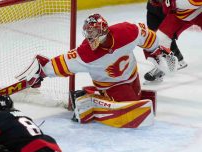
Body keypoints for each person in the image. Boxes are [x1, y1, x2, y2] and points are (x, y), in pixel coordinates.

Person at [16, 14, 175, 128]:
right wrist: (42, 71)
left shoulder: (126, 32)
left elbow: (145, 35)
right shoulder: (86, 53)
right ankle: (90, 99)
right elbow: (63, 63)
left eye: (93, 33)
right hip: (110, 85)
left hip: (132, 76)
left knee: (139, 103)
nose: (89, 37)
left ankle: (94, 97)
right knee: (132, 114)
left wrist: (156, 50)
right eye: (87, 33)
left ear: (104, 30)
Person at [145, 0, 202, 83]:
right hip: (180, 15)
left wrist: (173, 2)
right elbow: (168, 8)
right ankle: (163, 66)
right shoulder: (165, 4)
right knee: (160, 39)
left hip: (199, 12)